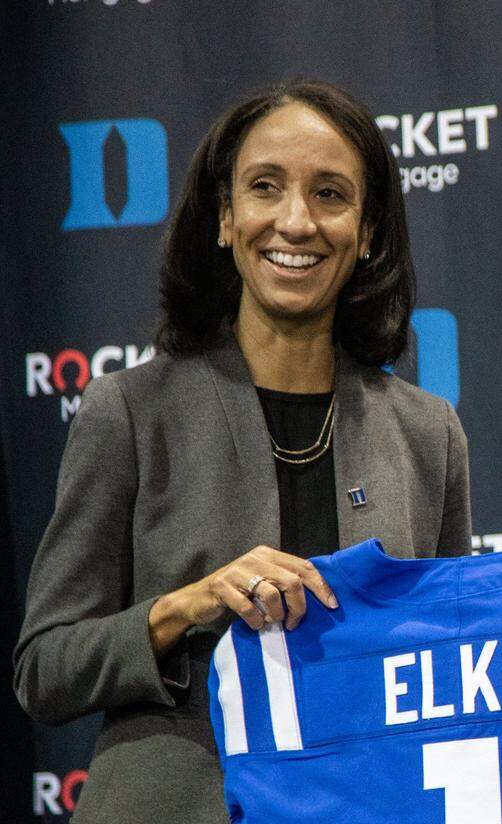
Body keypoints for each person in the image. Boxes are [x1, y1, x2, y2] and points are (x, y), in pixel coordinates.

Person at [14, 80, 472, 823]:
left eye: (330, 194)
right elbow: (44, 670)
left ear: (369, 233)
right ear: (225, 217)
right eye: (265, 188)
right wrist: (185, 606)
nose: (296, 222)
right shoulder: (129, 411)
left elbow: (453, 661)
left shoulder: (428, 433)